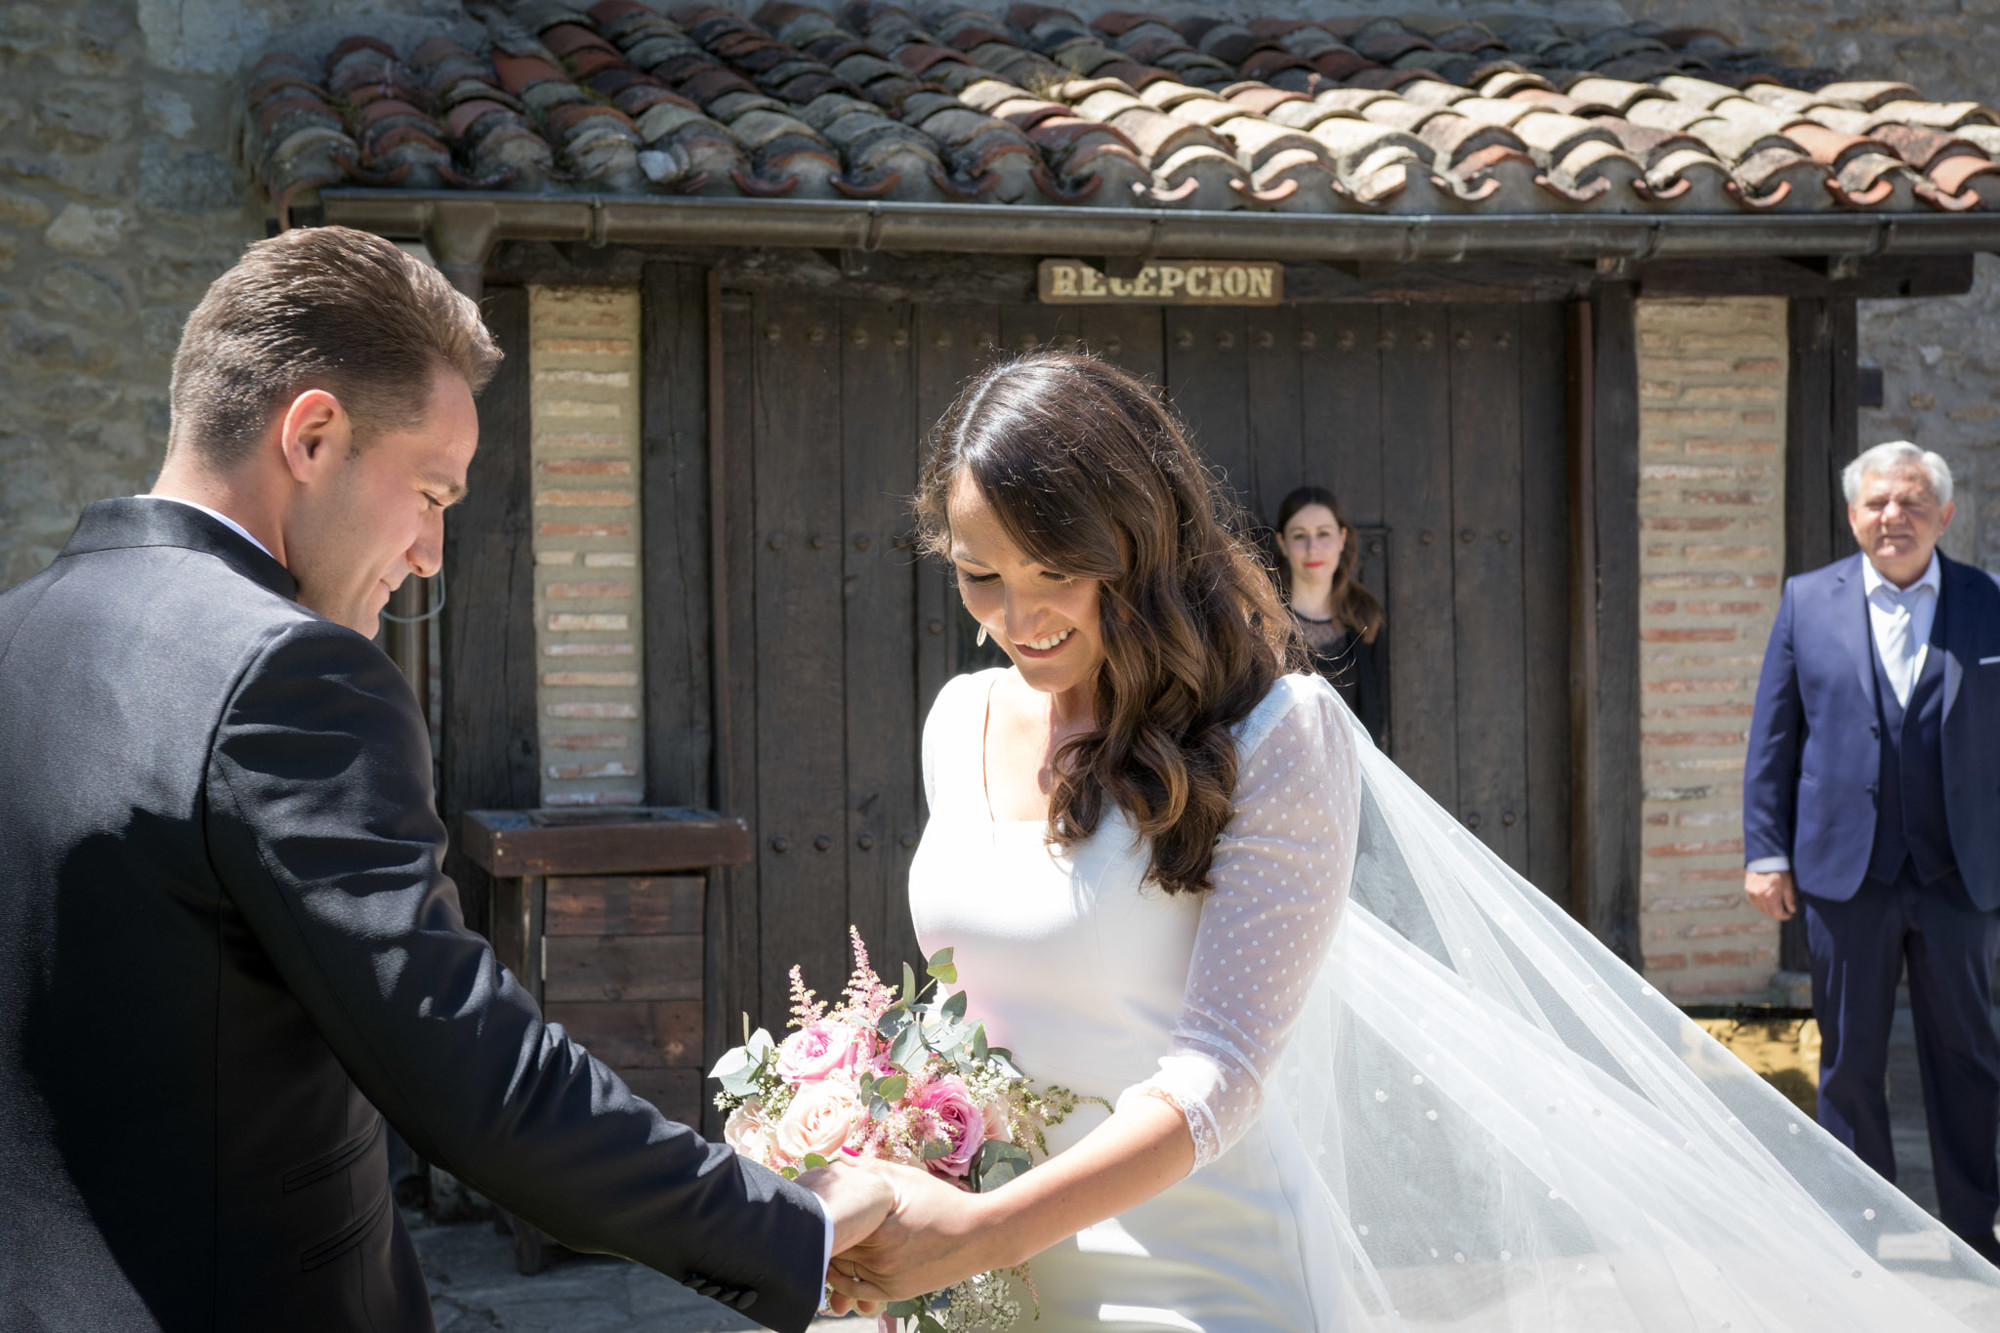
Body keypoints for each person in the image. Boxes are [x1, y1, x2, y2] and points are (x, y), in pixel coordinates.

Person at [826, 354, 2000, 1330]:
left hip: (1191, 1278)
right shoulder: (957, 721)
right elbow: (962, 1018)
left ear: (1138, 544)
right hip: (978, 1280)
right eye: (980, 574)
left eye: (1056, 571)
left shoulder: (1282, 733)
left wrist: (981, 1226)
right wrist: (863, 1151)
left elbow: (1219, 1073)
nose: (1017, 615)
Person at [0, 227, 888, 1332]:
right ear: (314, 434)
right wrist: (784, 1222)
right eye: (429, 492)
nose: (428, 552)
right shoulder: (289, 674)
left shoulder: (15, 636)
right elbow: (474, 1073)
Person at [1743, 440, 2000, 1264]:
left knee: (1967, 1054)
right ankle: (1859, 1226)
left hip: (1962, 872)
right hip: (1842, 871)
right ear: (1854, 514)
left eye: (1913, 501)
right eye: (1879, 502)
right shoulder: (1805, 600)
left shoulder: (1988, 601)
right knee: (1850, 1055)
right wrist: (1765, 851)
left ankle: (1971, 1226)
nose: (1895, 516)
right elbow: (1774, 739)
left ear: (1945, 514)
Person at [1273, 484, 1386, 747]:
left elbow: (1376, 716)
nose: (1313, 548)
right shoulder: (1263, 620)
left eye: (1323, 533)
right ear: (1283, 543)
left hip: (1351, 780)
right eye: (1300, 536)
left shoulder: (1366, 619)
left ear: (1342, 538)